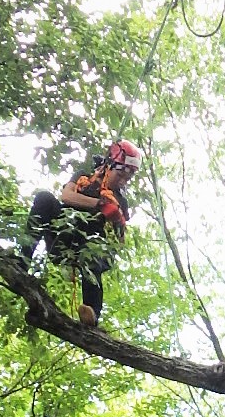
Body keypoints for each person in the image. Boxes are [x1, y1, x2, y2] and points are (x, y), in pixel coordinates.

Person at [21, 138, 141, 326]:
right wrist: (99, 204)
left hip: (91, 249)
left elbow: (118, 242)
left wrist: (117, 219)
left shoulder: (120, 201)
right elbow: (66, 196)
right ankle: (22, 261)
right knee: (44, 198)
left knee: (94, 249)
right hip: (63, 238)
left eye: (128, 178)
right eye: (120, 175)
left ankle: (92, 311)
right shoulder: (84, 179)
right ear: (109, 166)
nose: (123, 181)